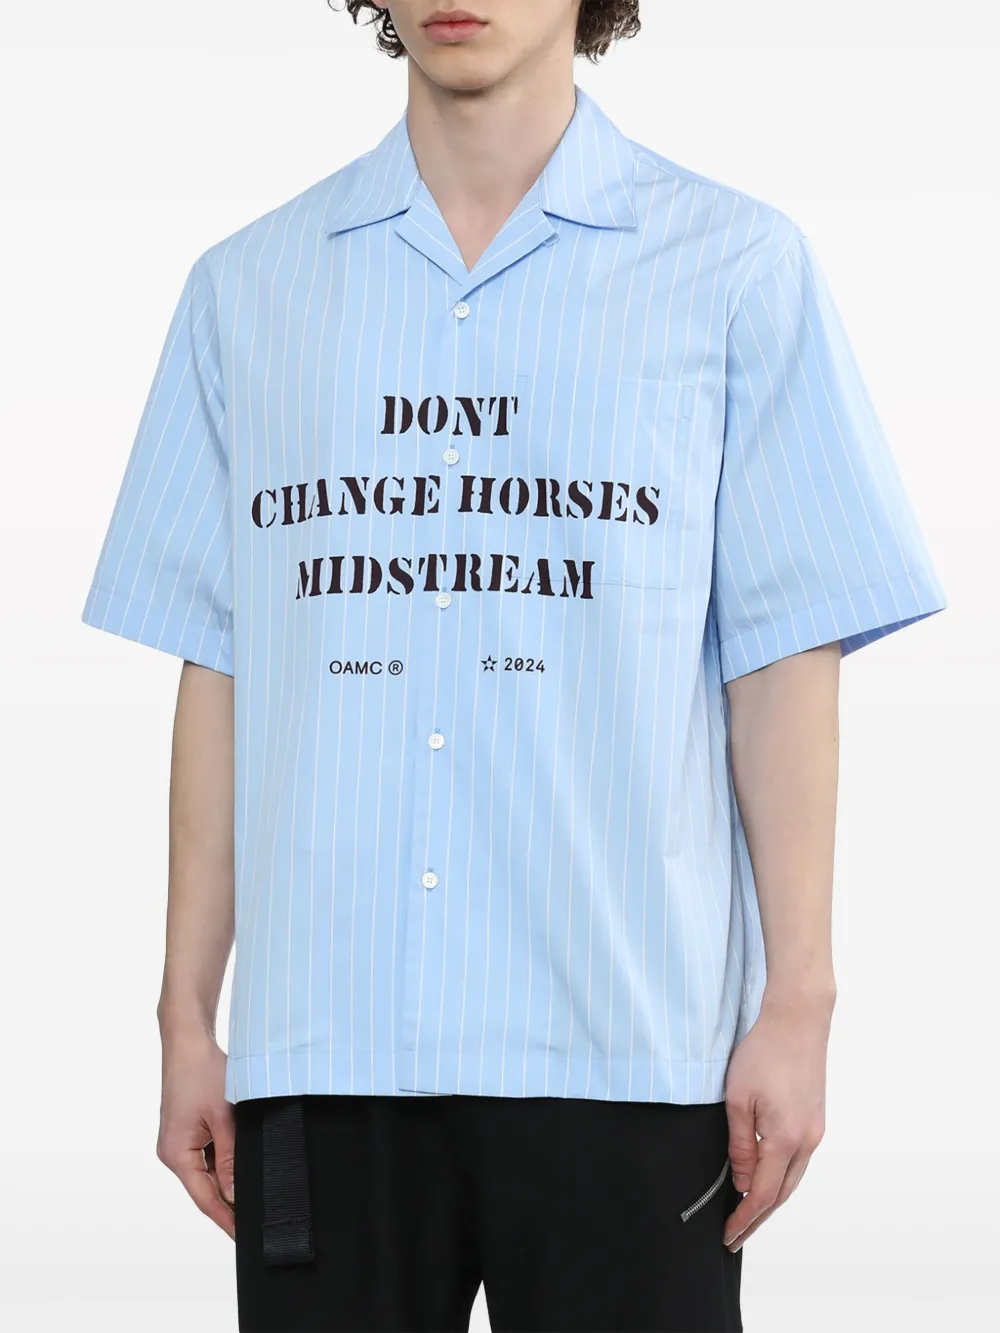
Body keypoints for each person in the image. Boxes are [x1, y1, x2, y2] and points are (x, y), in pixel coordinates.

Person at [79, 2, 947, 1330]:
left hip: (631, 1045)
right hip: (328, 1045)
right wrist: (186, 1015)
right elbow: (222, 664)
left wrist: (801, 1000)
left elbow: (782, 659)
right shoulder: (248, 289)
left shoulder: (734, 270)